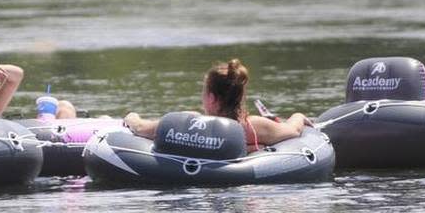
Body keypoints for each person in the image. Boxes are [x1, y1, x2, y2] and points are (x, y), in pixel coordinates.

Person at [123, 58, 308, 152]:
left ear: (211, 98)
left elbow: (140, 128)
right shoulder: (254, 127)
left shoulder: (189, 122)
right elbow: (293, 131)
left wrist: (131, 117)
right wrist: (298, 116)